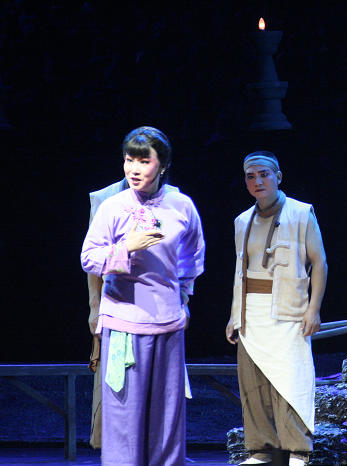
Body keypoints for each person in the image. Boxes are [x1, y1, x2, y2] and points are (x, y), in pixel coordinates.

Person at [81, 126, 205, 465]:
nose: (134, 169)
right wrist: (126, 248)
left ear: (162, 165)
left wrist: (183, 296)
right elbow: (88, 257)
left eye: (143, 161)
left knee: (167, 414)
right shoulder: (113, 207)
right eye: (129, 160)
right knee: (125, 414)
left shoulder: (181, 206)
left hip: (168, 323)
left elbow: (192, 256)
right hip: (124, 323)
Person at [225, 151, 327, 466]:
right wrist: (234, 314)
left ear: (278, 177)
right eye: (251, 176)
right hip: (251, 312)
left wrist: (313, 308)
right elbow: (240, 271)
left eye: (264, 174)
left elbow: (320, 262)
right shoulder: (242, 221)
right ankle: (260, 449)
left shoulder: (301, 213)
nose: (258, 181)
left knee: (291, 380)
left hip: (288, 309)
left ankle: (298, 450)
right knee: (253, 383)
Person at [86, 176, 179, 449]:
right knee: (118, 378)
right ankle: (118, 449)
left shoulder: (174, 198)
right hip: (118, 300)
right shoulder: (105, 198)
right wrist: (94, 306)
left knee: (158, 383)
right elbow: (94, 258)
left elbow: (182, 255)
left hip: (158, 303)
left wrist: (182, 300)